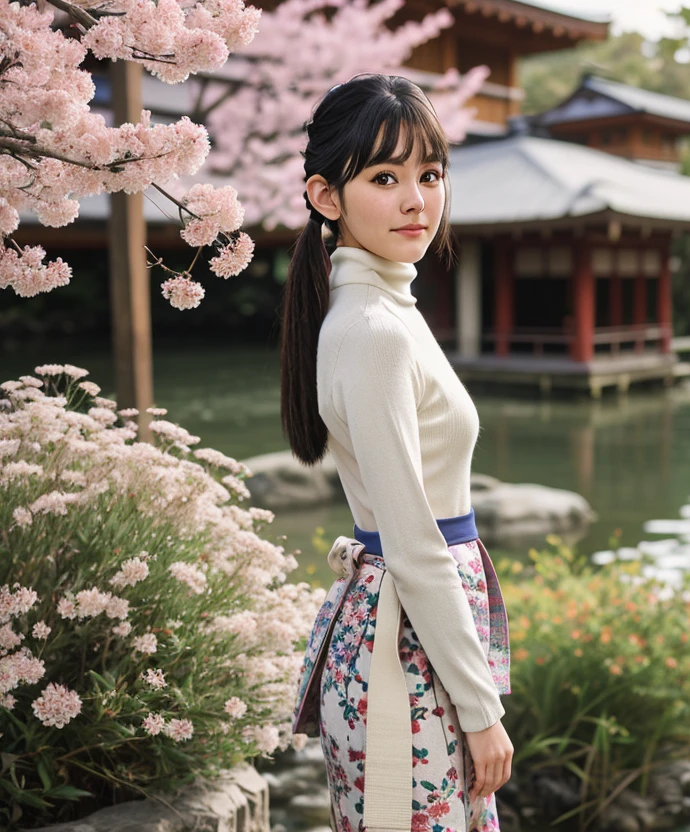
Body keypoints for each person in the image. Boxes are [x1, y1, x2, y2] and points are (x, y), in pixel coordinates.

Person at [280, 73, 513, 832]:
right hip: (403, 647)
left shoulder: (385, 309)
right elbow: (414, 546)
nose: (417, 199)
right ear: (326, 196)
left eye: (430, 173)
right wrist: (481, 712)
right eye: (385, 178)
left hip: (411, 634)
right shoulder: (374, 331)